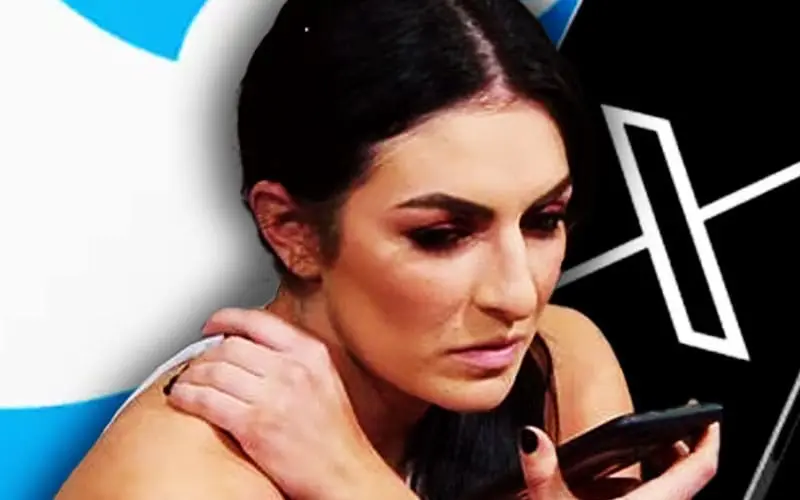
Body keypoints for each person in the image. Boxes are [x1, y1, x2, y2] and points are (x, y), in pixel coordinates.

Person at [56, 0, 720, 498]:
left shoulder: (559, 360)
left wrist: (353, 481)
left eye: (543, 220)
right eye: (442, 235)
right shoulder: (179, 479)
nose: (518, 296)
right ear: (290, 229)